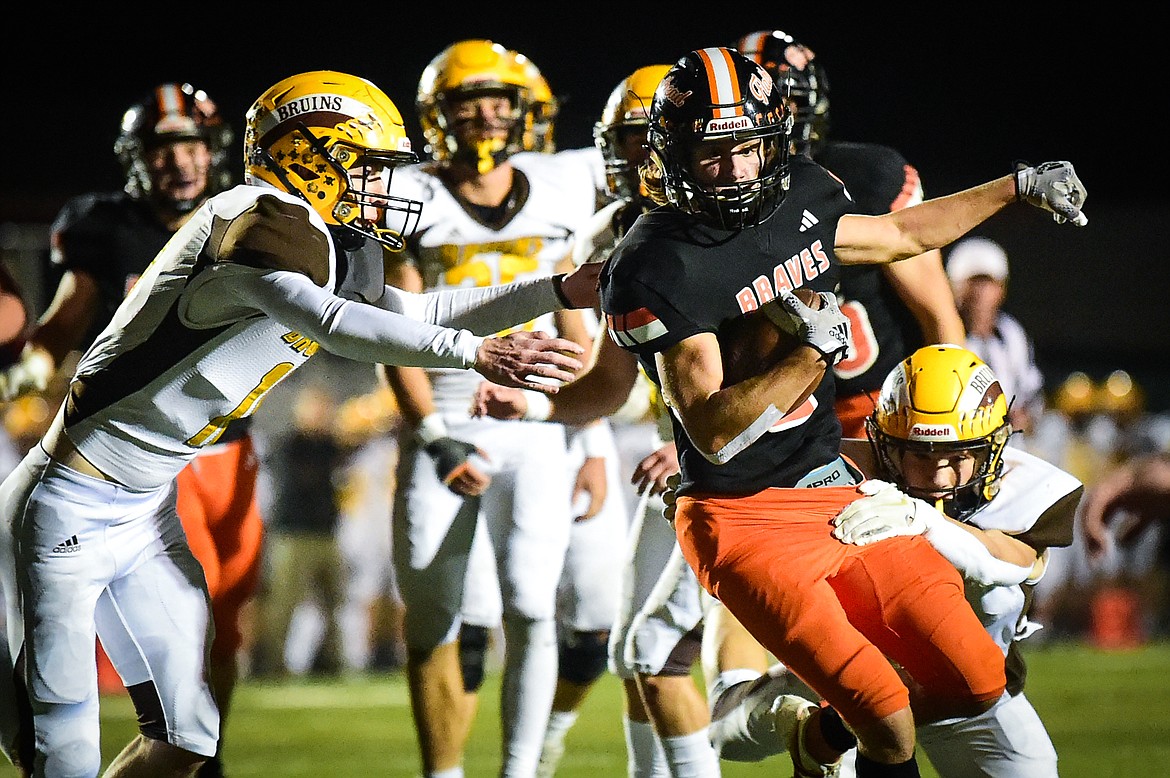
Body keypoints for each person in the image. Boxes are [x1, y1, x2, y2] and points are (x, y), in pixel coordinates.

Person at [0, 69, 598, 778]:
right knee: (59, 747)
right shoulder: (257, 222)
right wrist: (478, 353)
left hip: (145, 509)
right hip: (69, 500)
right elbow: (334, 324)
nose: (384, 187)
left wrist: (557, 289)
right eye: (369, 167)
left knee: (188, 738)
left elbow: (419, 312)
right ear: (312, 157)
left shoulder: (326, 241)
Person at [597, 46, 1086, 777]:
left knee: (977, 678)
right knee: (887, 728)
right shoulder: (657, 261)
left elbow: (900, 234)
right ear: (673, 155)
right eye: (711, 153)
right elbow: (715, 431)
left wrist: (1013, 187)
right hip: (741, 515)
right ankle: (797, 738)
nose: (734, 170)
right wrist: (810, 355)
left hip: (826, 481)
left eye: (747, 148)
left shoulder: (803, 193)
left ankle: (806, 733)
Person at [0, 82, 261, 776]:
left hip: (233, 448)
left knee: (228, 627)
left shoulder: (246, 221)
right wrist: (30, 365)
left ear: (215, 153)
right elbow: (63, 318)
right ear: (136, 159)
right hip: (153, 454)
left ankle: (207, 755)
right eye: (164, 148)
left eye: (193, 146)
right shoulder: (107, 226)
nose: (181, 162)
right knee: (189, 625)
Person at [378, 40, 602, 778]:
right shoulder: (411, 196)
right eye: (468, 101)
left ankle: (520, 771)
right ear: (439, 114)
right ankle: (442, 772)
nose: (484, 115)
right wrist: (436, 435)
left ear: (523, 111)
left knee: (535, 607)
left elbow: (578, 324)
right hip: (444, 414)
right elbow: (395, 328)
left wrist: (586, 429)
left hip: (535, 422)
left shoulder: (561, 187)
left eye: (498, 101)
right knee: (434, 615)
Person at [702, 344, 1081, 777]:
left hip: (971, 699)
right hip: (849, 684)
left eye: (958, 457)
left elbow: (1016, 562)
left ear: (991, 448)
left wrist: (927, 523)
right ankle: (807, 728)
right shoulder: (841, 470)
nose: (939, 475)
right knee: (724, 731)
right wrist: (710, 486)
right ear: (885, 445)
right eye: (920, 455)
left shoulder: (1028, 488)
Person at [735, 29, 965, 438]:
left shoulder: (868, 179)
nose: (779, 118)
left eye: (789, 102)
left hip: (879, 409)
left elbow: (939, 318)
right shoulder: (715, 204)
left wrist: (944, 418)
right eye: (764, 105)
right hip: (774, 421)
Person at [251, 383, 350, 679]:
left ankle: (329, 661)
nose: (322, 416)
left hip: (326, 533)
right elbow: (303, 479)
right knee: (284, 604)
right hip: (293, 534)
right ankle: (270, 664)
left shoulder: (330, 445)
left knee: (334, 603)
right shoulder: (289, 444)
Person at [945, 236, 1046, 440]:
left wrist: (1025, 415)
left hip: (1010, 446)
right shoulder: (944, 335)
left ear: (1001, 289)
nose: (980, 294)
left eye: (987, 283)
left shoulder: (1011, 334)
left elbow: (1031, 391)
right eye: (972, 283)